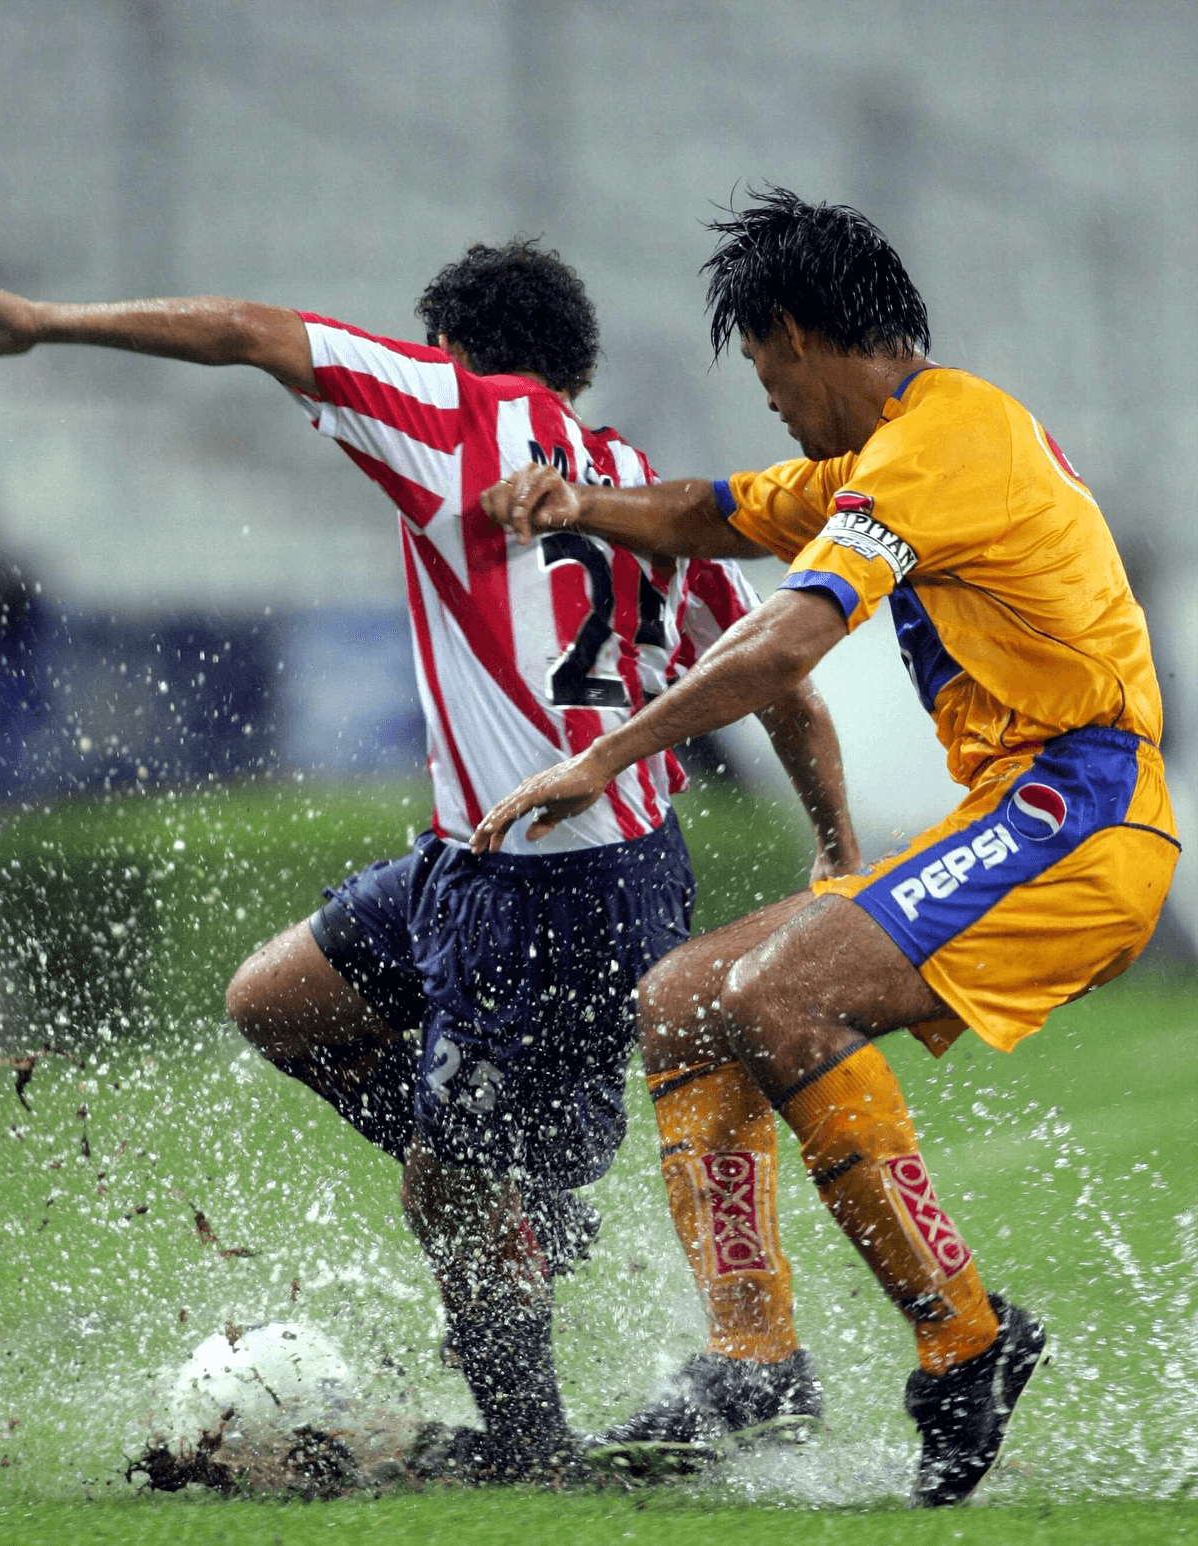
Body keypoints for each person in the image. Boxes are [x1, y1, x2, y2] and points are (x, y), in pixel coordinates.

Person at [0, 243, 859, 1480]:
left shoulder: (451, 408)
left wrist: (50, 317)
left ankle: (531, 1454)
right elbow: (773, 671)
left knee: (445, 1189)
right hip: (515, 865)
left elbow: (252, 327)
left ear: (453, 349)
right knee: (275, 998)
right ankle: (520, 1195)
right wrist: (836, 839)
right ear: (571, 366)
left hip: (552, 885)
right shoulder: (633, 479)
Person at [472, 189, 1180, 1505]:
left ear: (798, 333)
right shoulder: (902, 455)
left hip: (1083, 813)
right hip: (1021, 810)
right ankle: (755, 1358)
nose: (771, 401)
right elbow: (715, 513)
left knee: (774, 995)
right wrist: (579, 504)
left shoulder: (946, 437)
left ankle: (966, 1338)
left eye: (764, 370)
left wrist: (604, 756)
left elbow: (784, 643)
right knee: (680, 999)